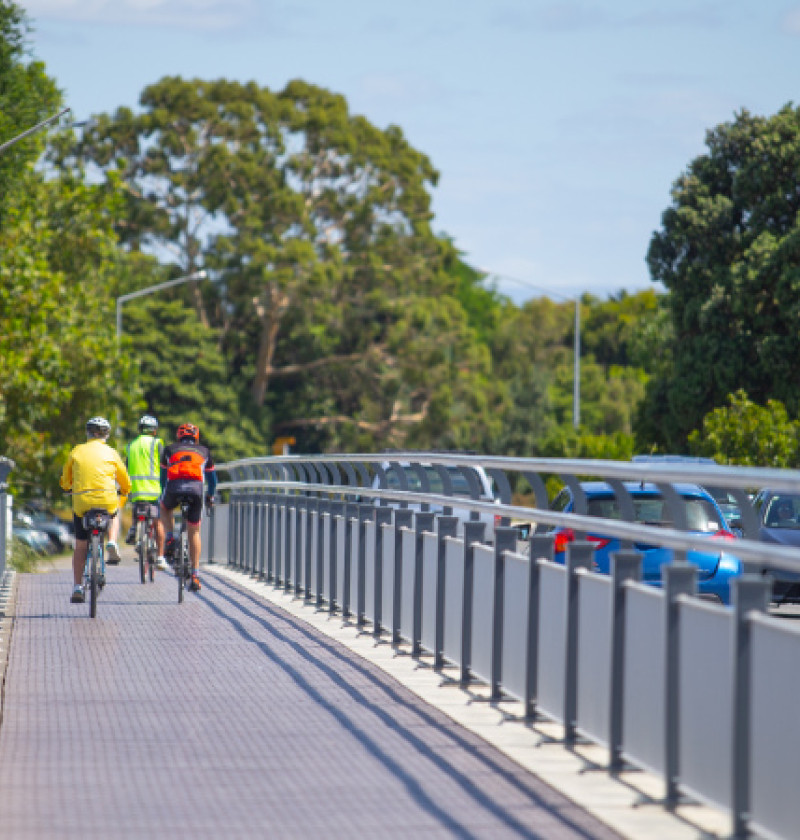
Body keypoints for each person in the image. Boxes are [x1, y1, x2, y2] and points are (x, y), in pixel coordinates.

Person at [59, 416, 131, 604]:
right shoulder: (112, 453)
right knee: (114, 512)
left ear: (87, 432)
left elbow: (66, 479)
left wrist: (67, 487)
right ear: (106, 435)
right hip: (106, 500)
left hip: (82, 502)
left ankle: (77, 586)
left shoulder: (77, 451)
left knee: (81, 545)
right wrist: (124, 490)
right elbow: (125, 480)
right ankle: (112, 541)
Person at [159, 422, 216, 592]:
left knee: (165, 507)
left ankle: (169, 537)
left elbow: (163, 479)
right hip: (196, 491)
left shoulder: (169, 450)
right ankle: (195, 575)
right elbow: (213, 480)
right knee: (194, 530)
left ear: (179, 436)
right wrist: (210, 496)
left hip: (174, 488)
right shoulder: (205, 451)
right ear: (196, 438)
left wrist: (164, 493)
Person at [124, 414, 168, 571]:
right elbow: (165, 465)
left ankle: (134, 529)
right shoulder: (157, 443)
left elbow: (126, 467)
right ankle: (161, 557)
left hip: (136, 490)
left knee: (138, 510)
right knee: (157, 522)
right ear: (154, 431)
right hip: (154, 490)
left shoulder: (130, 445)